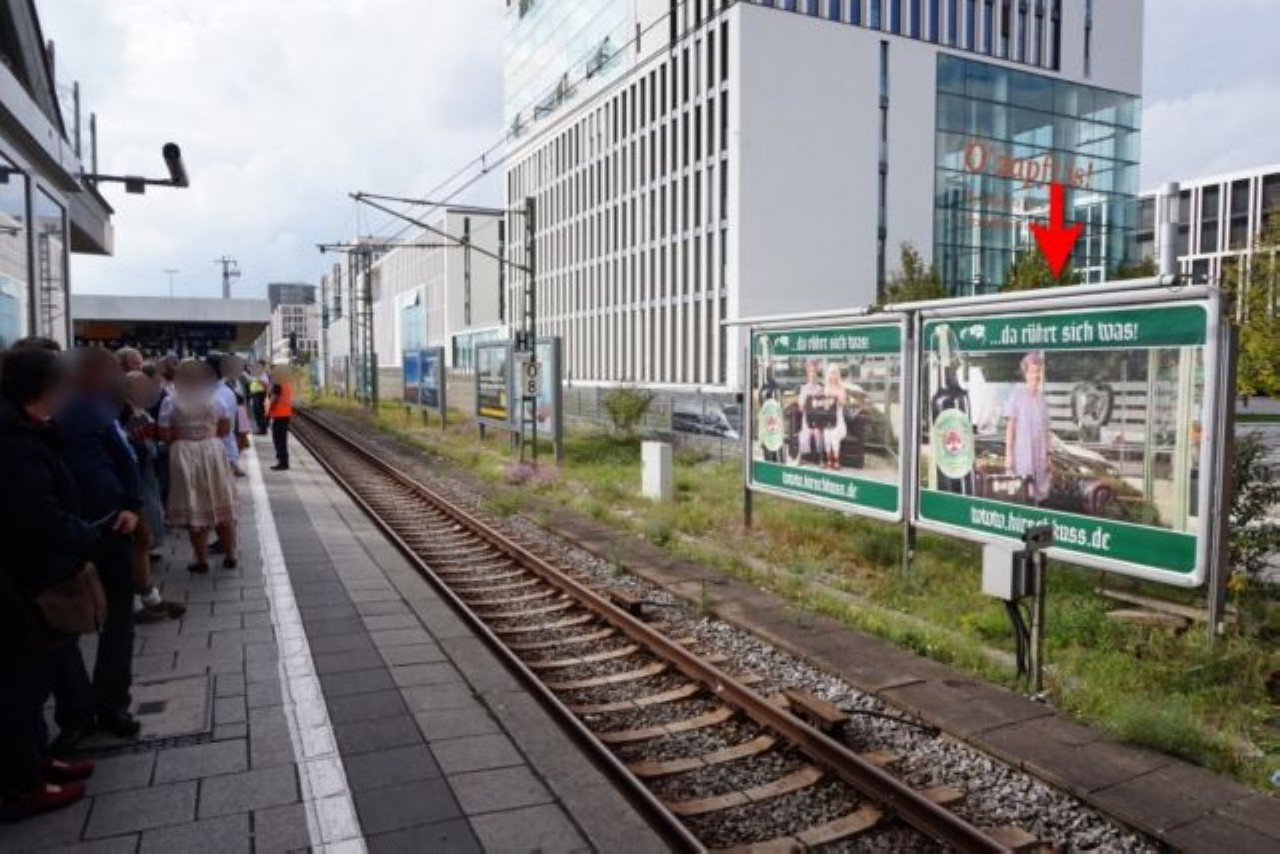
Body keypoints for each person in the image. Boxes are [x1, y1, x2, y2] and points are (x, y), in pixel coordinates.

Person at [0, 348, 98, 821]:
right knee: (18, 688)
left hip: (32, 577)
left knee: (33, 682)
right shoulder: (13, 444)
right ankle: (21, 787)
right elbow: (35, 517)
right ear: (45, 388)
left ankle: (36, 762)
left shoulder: (27, 430)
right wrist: (87, 533)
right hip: (20, 584)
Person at [160, 359, 237, 573]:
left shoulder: (170, 401)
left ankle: (201, 560)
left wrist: (185, 434)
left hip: (184, 452)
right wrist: (206, 433)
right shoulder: (216, 399)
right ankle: (230, 555)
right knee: (220, 500)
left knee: (193, 505)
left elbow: (164, 434)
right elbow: (225, 429)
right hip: (212, 450)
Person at [121, 371, 185, 623]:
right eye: (143, 387)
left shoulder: (138, 413)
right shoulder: (123, 416)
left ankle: (148, 596)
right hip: (133, 484)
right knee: (136, 541)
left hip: (143, 480)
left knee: (142, 540)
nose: (151, 391)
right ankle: (136, 601)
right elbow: (133, 451)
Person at [1004, 351, 1053, 504]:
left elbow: (1047, 430)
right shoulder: (1017, 394)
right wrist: (1008, 455)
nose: (1036, 375)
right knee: (1023, 492)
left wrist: (1049, 456)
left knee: (1038, 494)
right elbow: (1010, 427)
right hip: (1022, 455)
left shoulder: (1042, 398)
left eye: (1038, 371)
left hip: (1040, 454)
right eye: (1032, 371)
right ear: (1026, 373)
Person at [796, 359, 826, 464]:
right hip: (807, 418)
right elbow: (800, 408)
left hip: (818, 419)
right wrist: (803, 402)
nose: (812, 374)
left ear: (817, 374)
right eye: (810, 372)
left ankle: (821, 458)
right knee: (805, 433)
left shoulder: (821, 389)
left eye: (814, 372)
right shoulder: (803, 388)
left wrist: (819, 403)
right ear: (807, 374)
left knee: (818, 433)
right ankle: (799, 457)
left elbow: (824, 407)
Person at [820, 363, 849, 470]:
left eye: (835, 373)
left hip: (839, 422)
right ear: (828, 375)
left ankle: (836, 461)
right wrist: (826, 401)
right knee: (827, 435)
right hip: (828, 420)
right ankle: (829, 460)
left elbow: (843, 403)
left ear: (838, 375)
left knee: (834, 435)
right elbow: (823, 407)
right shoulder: (826, 388)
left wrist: (836, 398)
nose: (833, 375)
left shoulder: (841, 388)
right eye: (831, 373)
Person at [266, 365, 293, 471]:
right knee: (282, 439)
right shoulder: (286, 382)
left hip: (279, 415)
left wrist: (268, 412)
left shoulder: (278, 383)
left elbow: (275, 398)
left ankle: (282, 462)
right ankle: (283, 461)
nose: (269, 373)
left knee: (279, 440)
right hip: (285, 414)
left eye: (270, 371)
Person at [247, 361, 268, 434]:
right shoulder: (256, 374)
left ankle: (262, 430)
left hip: (260, 394)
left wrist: (258, 379)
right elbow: (251, 381)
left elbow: (265, 384)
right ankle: (259, 428)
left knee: (260, 412)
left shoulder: (263, 374)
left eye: (258, 366)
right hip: (254, 394)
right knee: (256, 412)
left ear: (262, 367)